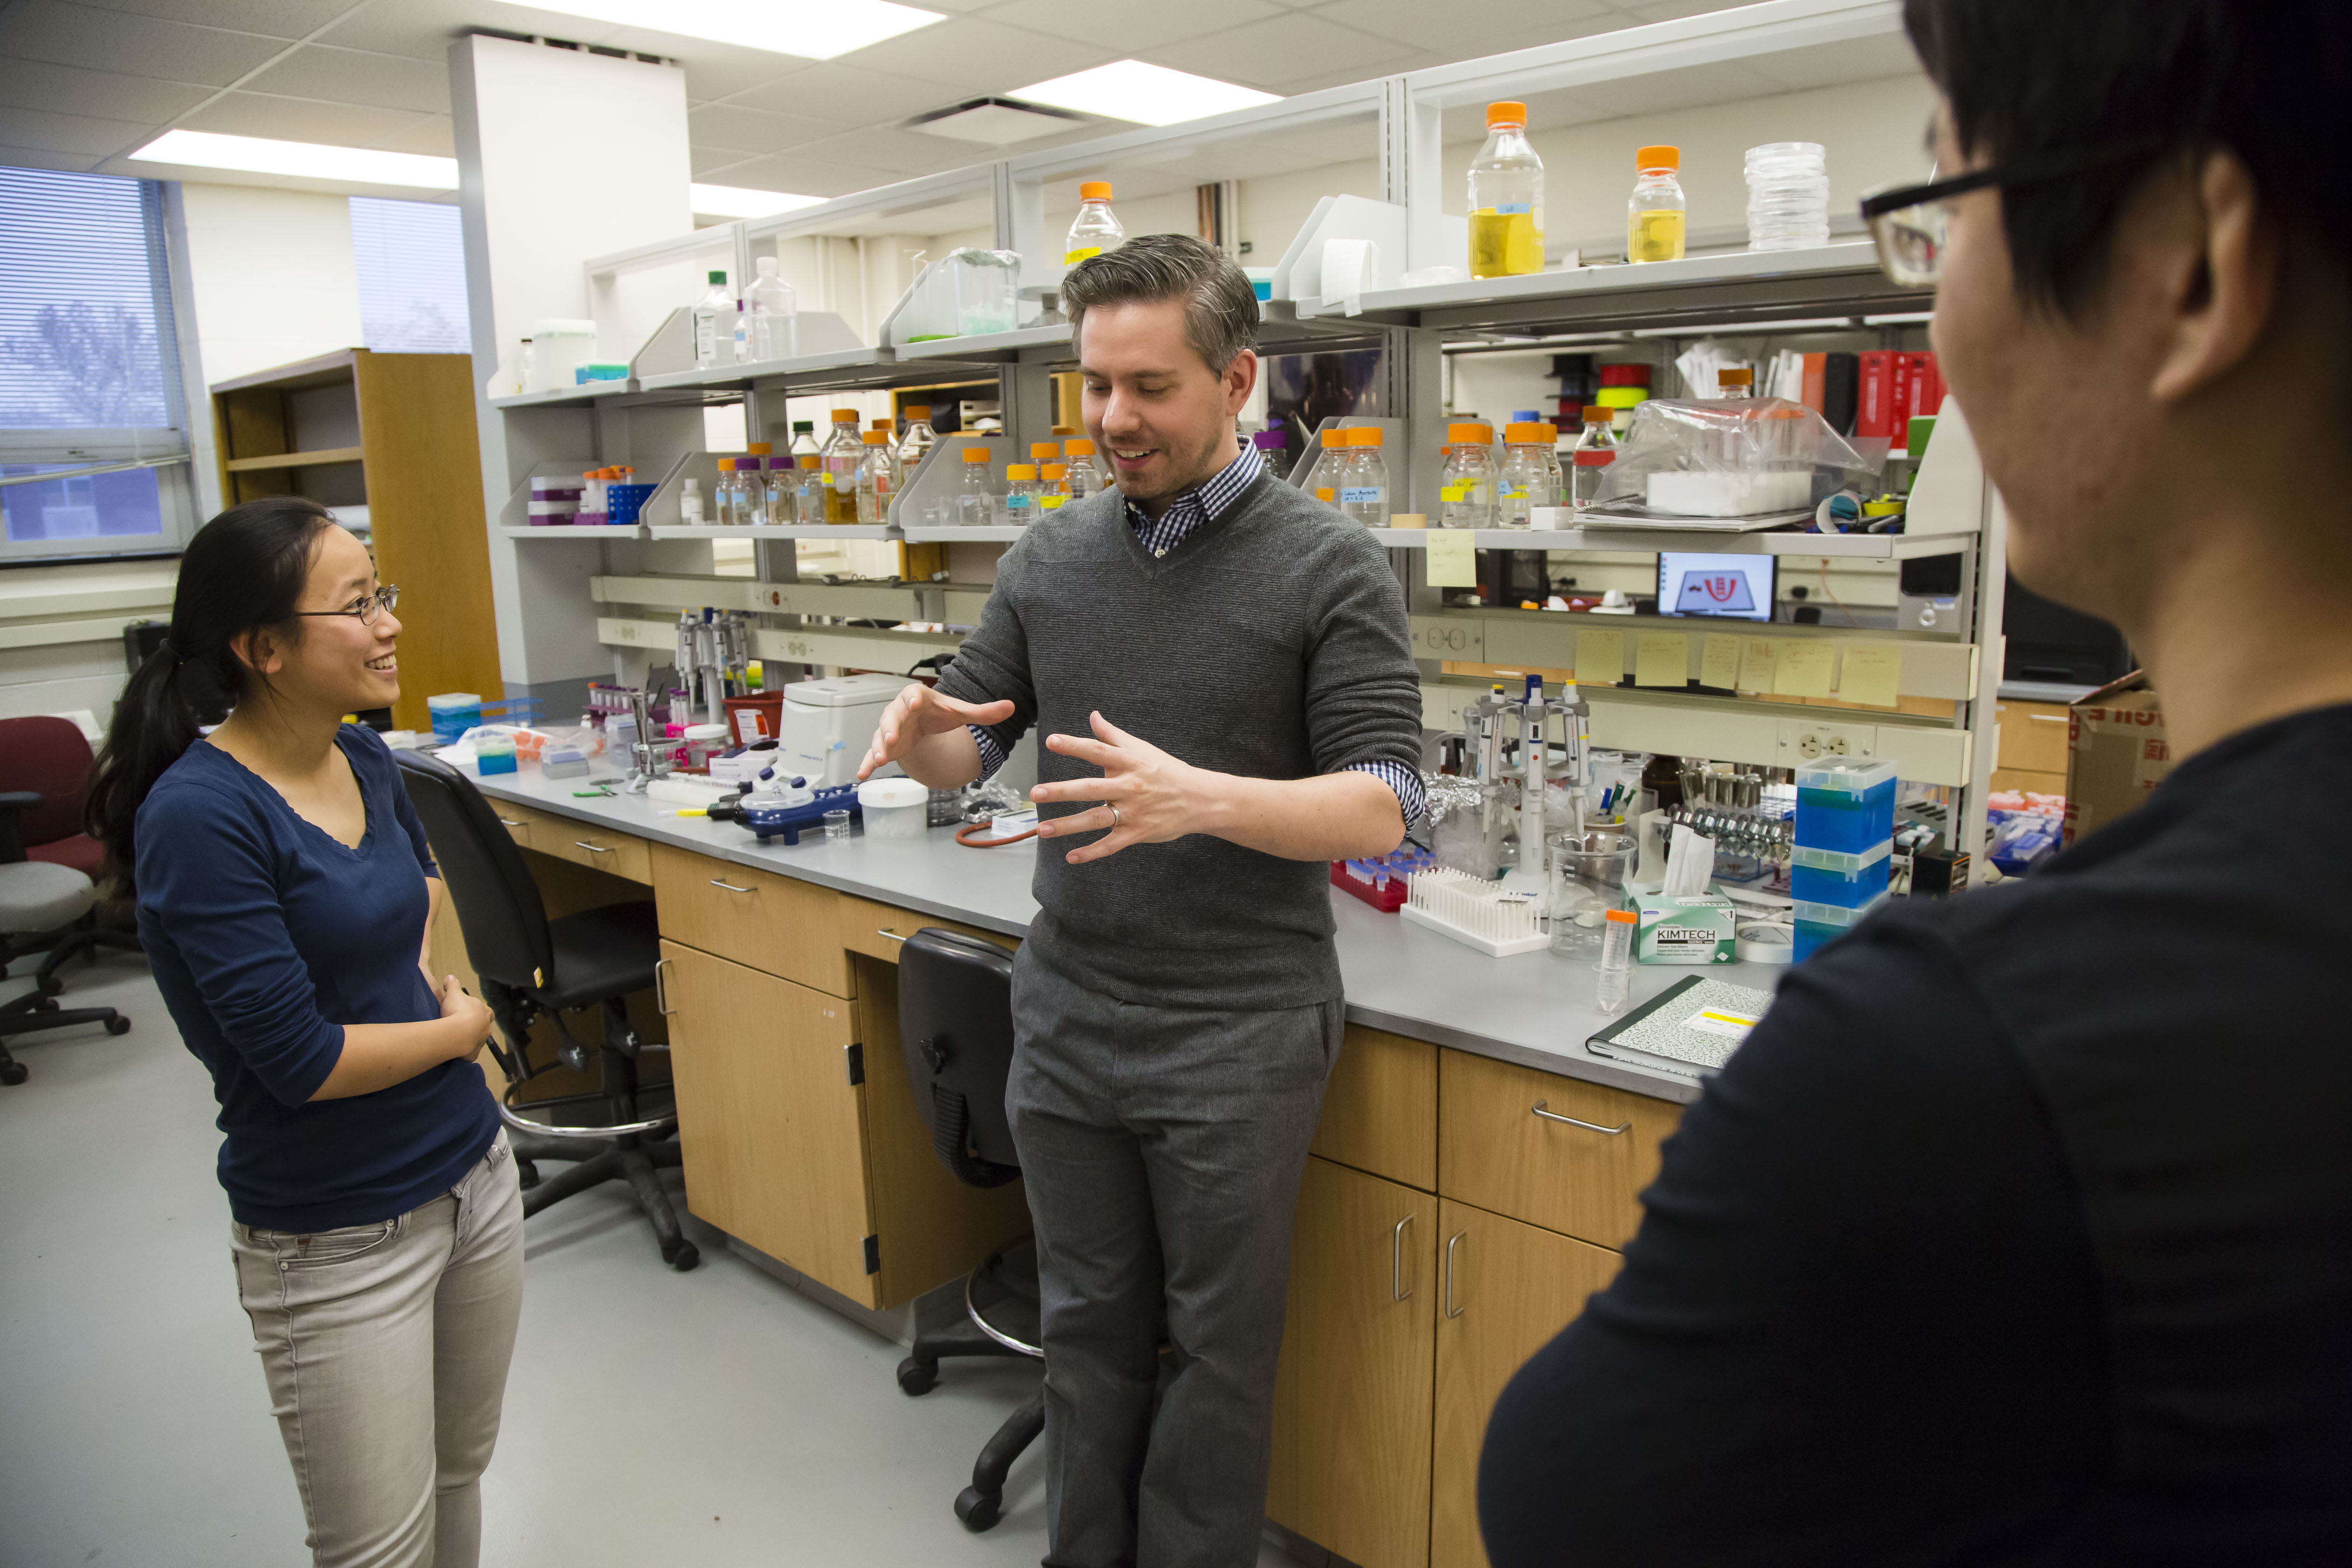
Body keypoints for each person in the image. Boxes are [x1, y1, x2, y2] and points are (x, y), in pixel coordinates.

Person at [1478, 2, 2352, 1562]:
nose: (1941, 328)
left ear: (2193, 269)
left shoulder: (1963, 1071)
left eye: (1947, 215)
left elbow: (1562, 1511)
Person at [857, 233, 1424, 1566]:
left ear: (1237, 381)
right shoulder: (1049, 557)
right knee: (1087, 1326)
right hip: (1068, 1012)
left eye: (1151, 387)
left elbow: (1389, 801)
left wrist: (1205, 798)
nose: (1115, 419)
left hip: (1240, 1026)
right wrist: (923, 725)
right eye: (1096, 384)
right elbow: (969, 747)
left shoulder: (1328, 563)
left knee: (1220, 1356)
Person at [87, 499, 522, 1568]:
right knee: (377, 1546)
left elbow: (427, 904)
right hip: (337, 1234)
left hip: (473, 1183)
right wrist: (462, 1032)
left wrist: (473, 1052)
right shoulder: (202, 816)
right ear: (263, 648)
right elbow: (303, 1060)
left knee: (460, 1473)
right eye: (358, 604)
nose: (389, 626)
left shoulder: (366, 759)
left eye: (385, 596)